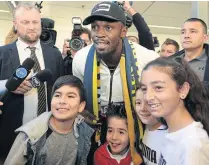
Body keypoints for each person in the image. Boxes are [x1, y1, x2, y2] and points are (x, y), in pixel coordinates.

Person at [73, 1, 159, 164]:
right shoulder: (81, 59)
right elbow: (77, 92)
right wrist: (81, 109)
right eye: (95, 27)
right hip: (94, 129)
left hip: (135, 131)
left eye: (108, 27)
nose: (99, 33)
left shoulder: (147, 60)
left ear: (123, 31)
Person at [0, 2, 64, 160]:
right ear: (15, 24)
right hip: (10, 134)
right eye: (25, 22)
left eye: (35, 22)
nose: (32, 27)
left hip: (48, 133)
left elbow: (60, 88)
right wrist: (7, 85)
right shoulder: (2, 54)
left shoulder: (54, 55)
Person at [4, 75, 94, 165]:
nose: (62, 101)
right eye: (57, 95)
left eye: (70, 96)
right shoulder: (30, 136)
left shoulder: (85, 132)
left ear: (81, 106)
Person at [140, 57, 209, 165]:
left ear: (183, 90)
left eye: (158, 87)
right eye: (144, 89)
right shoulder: (171, 132)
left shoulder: (193, 144)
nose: (148, 97)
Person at [135, 88, 167, 165]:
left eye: (149, 103)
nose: (142, 108)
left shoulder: (169, 136)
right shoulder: (142, 128)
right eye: (138, 103)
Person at [172, 18, 209, 85]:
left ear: (205, 38)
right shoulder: (170, 62)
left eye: (193, 31)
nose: (186, 36)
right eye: (183, 32)